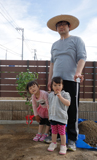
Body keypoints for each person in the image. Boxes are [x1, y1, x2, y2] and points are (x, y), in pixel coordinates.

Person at [46, 14, 87, 151]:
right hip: (56, 82)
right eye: (59, 25)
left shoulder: (77, 40)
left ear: (69, 27)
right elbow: (52, 63)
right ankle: (56, 135)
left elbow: (82, 58)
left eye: (64, 24)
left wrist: (78, 72)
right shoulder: (54, 45)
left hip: (71, 79)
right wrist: (49, 80)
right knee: (56, 108)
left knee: (72, 109)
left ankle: (72, 139)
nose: (61, 26)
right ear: (57, 29)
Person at [47, 77, 71, 154]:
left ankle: (63, 145)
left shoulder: (65, 94)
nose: (57, 87)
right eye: (55, 85)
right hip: (53, 117)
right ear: (52, 86)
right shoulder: (50, 95)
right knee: (53, 132)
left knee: (62, 132)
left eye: (59, 85)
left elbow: (68, 103)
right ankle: (53, 143)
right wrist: (49, 115)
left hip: (61, 117)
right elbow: (50, 105)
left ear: (62, 85)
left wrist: (60, 96)